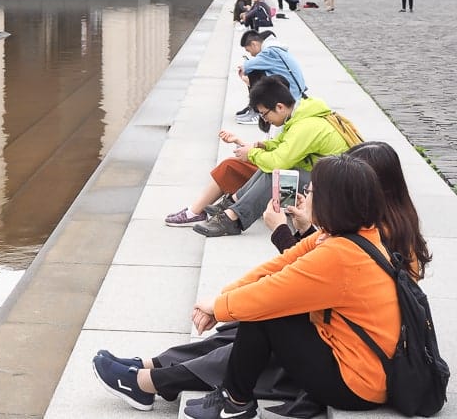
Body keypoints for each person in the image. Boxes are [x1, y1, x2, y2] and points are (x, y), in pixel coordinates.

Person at [95, 144, 428, 416]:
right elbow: (282, 266)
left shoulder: (345, 249)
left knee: (261, 312)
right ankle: (164, 376)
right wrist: (220, 299)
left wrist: (222, 305)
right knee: (249, 315)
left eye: (312, 190)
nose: (306, 195)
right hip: (342, 343)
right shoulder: (348, 235)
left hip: (357, 379)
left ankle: (191, 389)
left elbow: (282, 286)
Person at [165, 76, 350, 234]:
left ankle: (232, 219)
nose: (264, 119)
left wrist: (252, 153)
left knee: (277, 173)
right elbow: (281, 145)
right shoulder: (301, 116)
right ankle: (232, 205)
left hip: (336, 190)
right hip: (328, 178)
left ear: (279, 107)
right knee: (272, 168)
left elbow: (278, 161)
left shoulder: (306, 125)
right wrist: (261, 146)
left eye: (263, 114)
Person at [233, 30, 307, 125]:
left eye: (248, 50)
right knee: (258, 71)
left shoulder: (270, 52)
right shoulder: (276, 49)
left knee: (254, 72)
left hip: (291, 95)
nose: (251, 54)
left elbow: (247, 67)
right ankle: (255, 108)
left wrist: (245, 72)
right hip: (294, 91)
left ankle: (257, 112)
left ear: (254, 44)